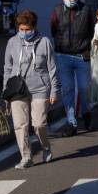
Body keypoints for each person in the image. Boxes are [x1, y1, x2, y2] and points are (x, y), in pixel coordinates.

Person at [4, 9, 60, 169]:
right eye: (21, 29)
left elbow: (52, 68)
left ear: (34, 27)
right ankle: (26, 157)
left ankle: (46, 147)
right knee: (20, 125)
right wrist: (5, 94)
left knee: (39, 124)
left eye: (27, 29)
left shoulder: (45, 42)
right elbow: (7, 68)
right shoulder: (12, 42)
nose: (24, 32)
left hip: (40, 88)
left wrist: (54, 90)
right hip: (17, 90)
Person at [49, 0, 95, 136]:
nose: (69, 0)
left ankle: (86, 112)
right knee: (67, 90)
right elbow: (54, 30)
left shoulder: (86, 10)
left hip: (82, 56)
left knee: (84, 88)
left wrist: (84, 45)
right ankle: (71, 122)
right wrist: (62, 45)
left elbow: (91, 31)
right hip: (63, 57)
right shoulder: (56, 11)